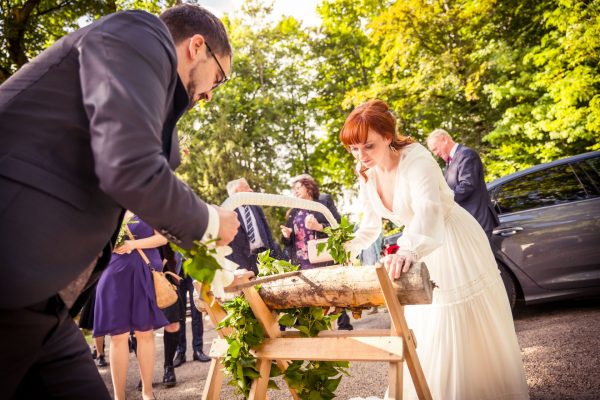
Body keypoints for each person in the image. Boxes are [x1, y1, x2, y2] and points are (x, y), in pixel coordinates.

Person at [0, 4, 240, 398]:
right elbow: (129, 165)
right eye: (219, 77)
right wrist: (210, 221)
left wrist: (219, 269)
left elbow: (142, 186)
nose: (211, 94)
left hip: (44, 307)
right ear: (197, 46)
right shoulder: (139, 33)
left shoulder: (151, 106)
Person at [340, 100, 529, 399]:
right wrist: (345, 247)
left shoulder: (417, 159)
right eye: (353, 148)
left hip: (451, 240)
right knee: (426, 327)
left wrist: (406, 251)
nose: (360, 156)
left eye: (368, 146)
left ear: (388, 137)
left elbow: (428, 212)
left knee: (456, 321)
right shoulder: (367, 171)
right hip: (417, 244)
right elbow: (370, 224)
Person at [94, 214, 169, 400]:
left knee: (145, 333)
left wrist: (132, 245)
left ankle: (147, 392)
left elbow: (163, 238)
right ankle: (119, 397)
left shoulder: (149, 205)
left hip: (144, 270)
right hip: (113, 274)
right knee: (118, 336)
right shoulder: (107, 207)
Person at [282, 175, 353, 330]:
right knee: (309, 295)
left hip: (322, 257)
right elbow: (288, 242)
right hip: (301, 261)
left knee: (331, 291)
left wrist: (319, 227)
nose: (295, 192)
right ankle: (312, 328)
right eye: (293, 190)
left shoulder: (323, 201)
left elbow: (338, 227)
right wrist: (287, 235)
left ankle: (342, 326)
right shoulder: (293, 211)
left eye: (298, 188)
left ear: (308, 187)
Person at [426, 128, 500, 238]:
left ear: (444, 139)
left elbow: (467, 186)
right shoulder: (450, 162)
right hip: (468, 222)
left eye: (435, 149)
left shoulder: (466, 154)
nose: (436, 154)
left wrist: (443, 199)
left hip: (478, 220)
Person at [225, 178, 282, 275]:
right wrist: (233, 269)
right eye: (246, 187)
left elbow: (267, 233)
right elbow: (226, 243)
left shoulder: (256, 208)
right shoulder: (227, 212)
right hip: (242, 262)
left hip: (264, 257)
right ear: (236, 192)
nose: (251, 190)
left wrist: (274, 252)